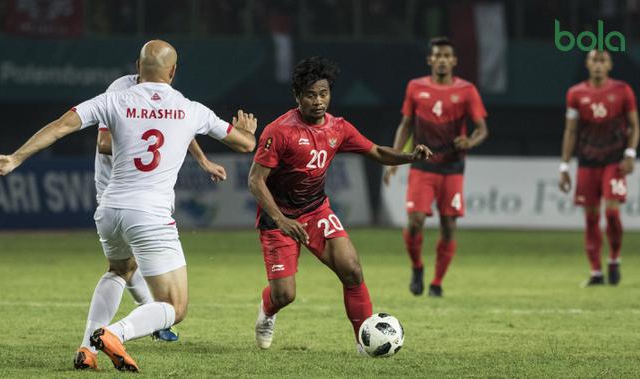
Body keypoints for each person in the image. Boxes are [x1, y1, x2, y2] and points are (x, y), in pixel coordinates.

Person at [0, 40, 257, 372]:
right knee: (175, 307)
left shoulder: (114, 99)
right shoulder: (191, 108)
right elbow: (244, 144)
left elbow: (61, 126)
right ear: (174, 72)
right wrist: (245, 131)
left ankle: (86, 348)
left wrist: (15, 158)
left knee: (120, 270)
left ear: (138, 67)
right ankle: (112, 333)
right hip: (149, 215)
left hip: (110, 210)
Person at [248, 56, 432, 352]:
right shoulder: (279, 131)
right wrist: (282, 220)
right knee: (285, 295)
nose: (318, 101)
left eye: (323, 94)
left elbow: (376, 152)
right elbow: (255, 181)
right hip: (279, 218)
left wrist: (410, 156)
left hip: (316, 210)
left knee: (352, 269)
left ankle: (364, 340)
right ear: (297, 96)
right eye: (310, 95)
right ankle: (267, 312)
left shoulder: (339, 128)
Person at [72, 70, 229, 370]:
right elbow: (104, 143)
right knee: (168, 299)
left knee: (122, 268)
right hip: (123, 190)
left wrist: (202, 159)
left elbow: (177, 128)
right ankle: (141, 321)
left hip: (123, 201)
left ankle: (88, 348)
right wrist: (144, 141)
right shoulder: (122, 89)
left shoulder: (164, 95)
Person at [383, 36, 489, 298]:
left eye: (446, 56)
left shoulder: (466, 90)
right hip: (423, 166)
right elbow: (406, 124)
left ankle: (437, 282)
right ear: (430, 59)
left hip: (452, 167)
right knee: (415, 222)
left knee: (448, 227)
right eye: (437, 56)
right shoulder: (415, 87)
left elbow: (482, 129)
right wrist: (395, 159)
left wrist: (470, 141)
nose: (442, 60)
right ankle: (417, 267)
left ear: (453, 61)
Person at [559, 50, 639, 287]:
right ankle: (596, 272)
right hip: (587, 161)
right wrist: (564, 165)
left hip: (614, 160)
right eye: (594, 60)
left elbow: (635, 125)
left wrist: (630, 154)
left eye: (602, 60)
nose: (598, 65)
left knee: (612, 214)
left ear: (610, 65)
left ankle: (614, 258)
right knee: (591, 219)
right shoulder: (575, 94)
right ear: (587, 63)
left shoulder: (623, 91)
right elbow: (571, 131)